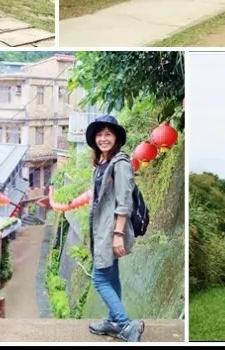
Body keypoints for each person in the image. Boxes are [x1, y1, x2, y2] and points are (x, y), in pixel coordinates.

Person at [84, 115, 144, 343]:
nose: (103, 138)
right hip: (102, 231)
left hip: (111, 231)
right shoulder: (103, 164)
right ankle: (114, 321)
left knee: (99, 278)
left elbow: (124, 202)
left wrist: (118, 234)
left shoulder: (120, 164)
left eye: (108, 134)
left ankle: (126, 325)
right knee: (112, 276)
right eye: (99, 134)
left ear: (116, 137)